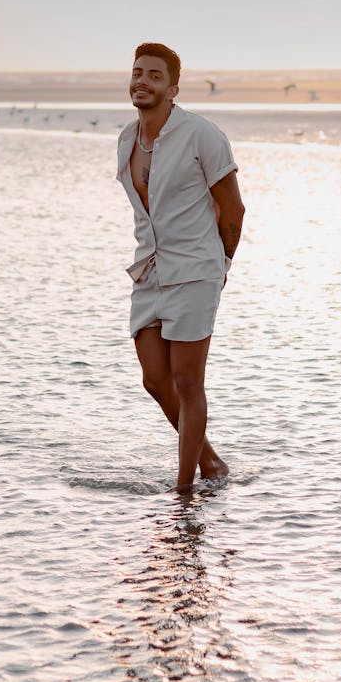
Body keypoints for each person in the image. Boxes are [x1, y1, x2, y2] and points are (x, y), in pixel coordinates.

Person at [117, 42, 245, 490]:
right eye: (137, 73)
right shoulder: (126, 139)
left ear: (172, 89)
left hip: (195, 270)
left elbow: (233, 210)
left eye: (154, 76)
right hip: (149, 270)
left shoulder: (201, 135)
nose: (142, 81)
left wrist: (220, 264)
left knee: (188, 381)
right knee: (155, 379)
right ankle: (211, 462)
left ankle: (185, 488)